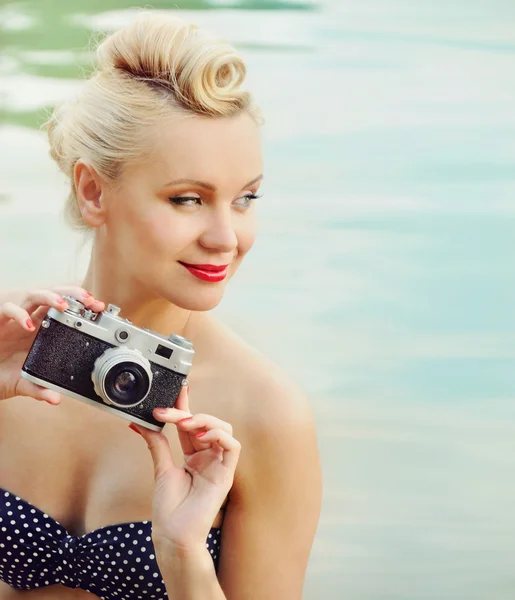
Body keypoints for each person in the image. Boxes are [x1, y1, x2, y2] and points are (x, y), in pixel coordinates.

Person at [0, 12, 322, 600]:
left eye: (246, 198)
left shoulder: (263, 415)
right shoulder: (11, 354)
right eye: (188, 199)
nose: (227, 237)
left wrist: (182, 557)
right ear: (93, 190)